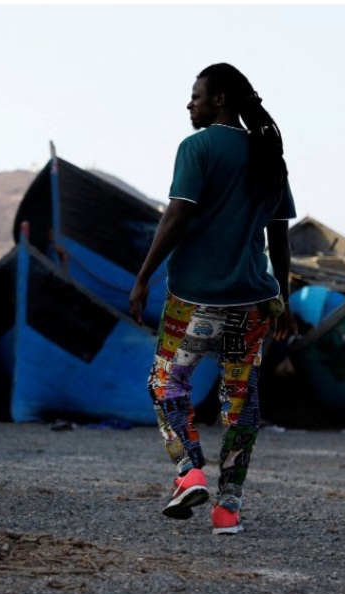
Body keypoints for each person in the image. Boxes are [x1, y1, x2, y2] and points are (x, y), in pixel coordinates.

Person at [128, 63, 299, 535]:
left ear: (220, 99)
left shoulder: (197, 147)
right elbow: (279, 238)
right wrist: (281, 299)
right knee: (241, 402)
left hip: (195, 300)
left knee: (167, 385)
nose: (190, 104)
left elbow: (178, 214)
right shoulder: (268, 155)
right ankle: (228, 509)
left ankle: (188, 472)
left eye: (197, 96)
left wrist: (144, 277)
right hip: (252, 303)